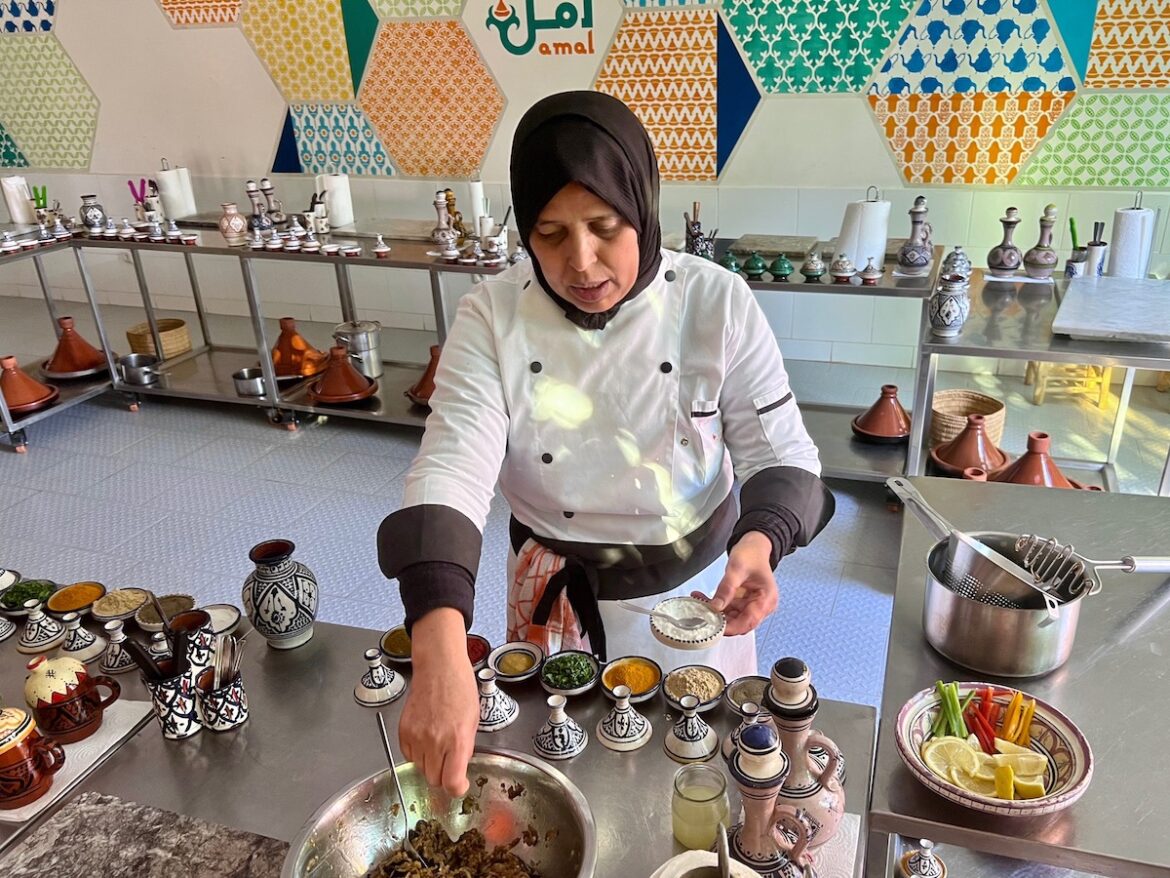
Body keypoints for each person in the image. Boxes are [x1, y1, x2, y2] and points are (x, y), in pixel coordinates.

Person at [378, 91, 835, 797]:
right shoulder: (492, 315)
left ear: (643, 208)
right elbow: (451, 466)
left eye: (604, 225)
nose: (581, 262)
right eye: (550, 234)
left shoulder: (716, 302)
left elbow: (783, 454)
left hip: (696, 601)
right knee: (556, 779)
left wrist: (761, 542)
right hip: (552, 599)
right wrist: (438, 656)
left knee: (699, 780)